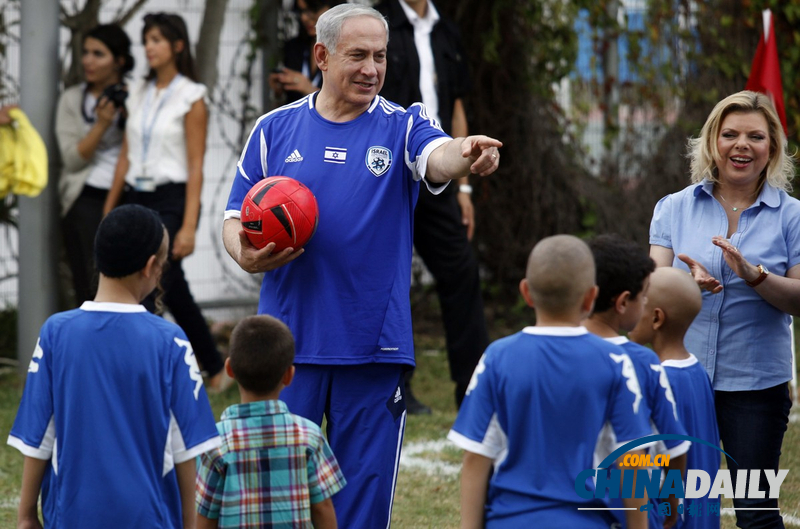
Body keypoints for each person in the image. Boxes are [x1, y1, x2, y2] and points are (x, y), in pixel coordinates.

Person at [221, 4, 501, 526]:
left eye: (380, 56)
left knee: (360, 510)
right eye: (358, 55)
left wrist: (467, 151)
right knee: (277, 507)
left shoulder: (404, 125)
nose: (372, 68)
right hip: (288, 349)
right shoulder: (274, 129)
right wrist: (245, 253)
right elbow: (235, 218)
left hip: (374, 346)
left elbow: (437, 154)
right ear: (321, 56)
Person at [8, 204, 221, 529]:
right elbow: (185, 450)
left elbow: (38, 437)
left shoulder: (56, 333)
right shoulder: (170, 341)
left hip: (72, 520)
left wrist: (25, 516)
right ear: (151, 267)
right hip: (149, 520)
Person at [648, 90, 799, 528]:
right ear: (712, 142)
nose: (741, 145)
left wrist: (755, 276)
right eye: (730, 134)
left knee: (755, 512)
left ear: (771, 146)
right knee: (674, 508)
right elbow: (650, 295)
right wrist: (682, 285)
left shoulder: (792, 216)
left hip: (756, 387)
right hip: (681, 380)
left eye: (755, 136)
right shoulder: (673, 208)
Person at [448, 235, 653, 528]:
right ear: (590, 297)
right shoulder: (615, 362)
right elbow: (633, 458)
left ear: (526, 292)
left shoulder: (497, 357)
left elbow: (475, 457)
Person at [103, 12, 230, 393]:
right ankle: (211, 365)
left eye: (157, 40)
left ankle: (150, 367)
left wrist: (189, 225)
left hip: (171, 198)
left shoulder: (192, 96)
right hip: (135, 194)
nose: (149, 48)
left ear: (177, 45)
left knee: (155, 277)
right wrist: (110, 207)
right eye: (146, 41)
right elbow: (126, 152)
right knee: (171, 285)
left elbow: (195, 166)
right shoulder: (138, 92)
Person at [376, 0, 488, 412]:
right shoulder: (379, 21)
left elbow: (455, 107)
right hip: (386, 171)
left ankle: (472, 389)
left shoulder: (446, 30)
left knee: (462, 271)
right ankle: (396, 388)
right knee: (390, 278)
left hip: (438, 169)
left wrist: (464, 189)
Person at [196, 315, 346, 528]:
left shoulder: (215, 442)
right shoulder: (309, 436)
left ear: (229, 369)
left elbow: (205, 516)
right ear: (289, 375)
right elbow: (323, 508)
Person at [585, 233, 690, 528]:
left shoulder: (545, 354)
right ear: (622, 303)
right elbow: (675, 448)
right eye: (644, 296)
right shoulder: (643, 363)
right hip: (625, 512)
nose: (646, 304)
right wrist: (671, 507)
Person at [630, 266, 721, 529]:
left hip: (672, 518)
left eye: (636, 302)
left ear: (656, 318)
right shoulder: (697, 371)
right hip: (702, 514)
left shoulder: (657, 380)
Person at [56, 24, 134, 304]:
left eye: (98, 54)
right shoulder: (72, 99)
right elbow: (72, 160)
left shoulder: (138, 95)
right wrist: (101, 125)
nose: (87, 60)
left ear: (119, 60)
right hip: (86, 199)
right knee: (90, 285)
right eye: (85, 53)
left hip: (131, 195)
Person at [269, 0, 345, 104]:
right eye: (301, 11)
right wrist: (279, 91)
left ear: (335, 8)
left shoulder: (347, 50)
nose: (304, 17)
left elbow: (348, 106)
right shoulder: (294, 47)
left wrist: (309, 89)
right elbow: (289, 102)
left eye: (313, 10)